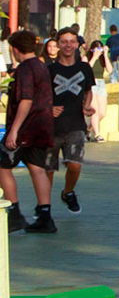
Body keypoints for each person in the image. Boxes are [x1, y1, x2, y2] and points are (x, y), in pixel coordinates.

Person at [3, 29, 56, 233]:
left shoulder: (24, 69)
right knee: (37, 167)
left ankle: (14, 213)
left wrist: (14, 130)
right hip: (42, 126)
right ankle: (45, 215)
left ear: (15, 49)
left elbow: (26, 100)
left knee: (3, 166)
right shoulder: (42, 66)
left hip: (25, 128)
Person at [48, 29, 95, 215]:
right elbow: (40, 95)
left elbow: (88, 90)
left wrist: (87, 105)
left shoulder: (84, 69)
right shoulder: (50, 70)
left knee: (74, 165)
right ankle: (44, 206)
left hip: (75, 124)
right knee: (47, 170)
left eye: (72, 41)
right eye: (64, 41)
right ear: (58, 44)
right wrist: (49, 108)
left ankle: (68, 192)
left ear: (77, 44)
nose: (68, 45)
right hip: (52, 126)